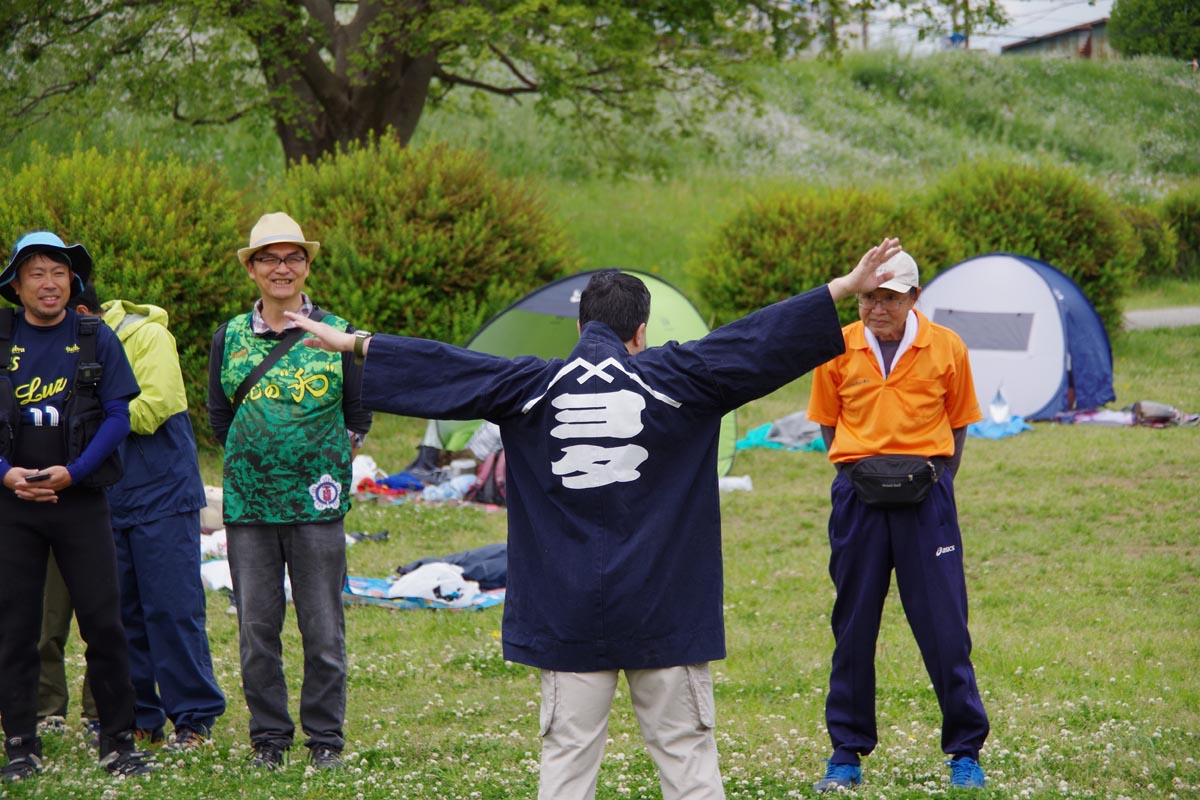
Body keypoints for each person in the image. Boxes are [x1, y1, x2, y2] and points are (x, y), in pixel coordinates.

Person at [287, 238, 904, 800]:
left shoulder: (529, 383)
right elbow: (754, 339)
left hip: (567, 607)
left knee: (567, 761)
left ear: (579, 325)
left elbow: (450, 367)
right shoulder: (681, 376)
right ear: (640, 330)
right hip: (665, 606)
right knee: (686, 758)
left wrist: (356, 343)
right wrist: (844, 288)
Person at [806, 251, 989, 791]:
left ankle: (964, 751)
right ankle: (846, 753)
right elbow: (828, 427)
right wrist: (858, 475)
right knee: (853, 627)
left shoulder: (946, 348)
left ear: (913, 298)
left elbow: (957, 429)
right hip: (858, 502)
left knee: (945, 627)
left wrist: (935, 482)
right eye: (867, 296)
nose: (875, 307)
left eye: (888, 297)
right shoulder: (837, 346)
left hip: (926, 501)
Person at [207, 212, 372, 771]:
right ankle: (269, 740)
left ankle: (325, 739)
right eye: (269, 258)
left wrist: (320, 462)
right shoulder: (227, 336)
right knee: (257, 629)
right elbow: (218, 416)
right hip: (248, 507)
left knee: (323, 627)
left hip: (317, 507)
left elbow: (358, 412)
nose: (282, 268)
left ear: (307, 266)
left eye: (293, 257)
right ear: (252, 269)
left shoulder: (340, 331)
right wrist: (258, 461)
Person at [36, 284, 225, 749]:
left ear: (82, 311)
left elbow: (156, 405)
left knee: (172, 609)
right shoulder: (66, 344)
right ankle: (140, 715)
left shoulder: (146, 334)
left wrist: (87, 420)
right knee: (120, 615)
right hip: (107, 496)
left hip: (162, 493)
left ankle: (194, 718)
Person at [0, 231, 157, 780]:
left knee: (104, 623)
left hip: (81, 501)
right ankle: (20, 744)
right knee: (15, 627)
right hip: (12, 505)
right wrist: (7, 474)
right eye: (37, 273)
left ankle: (118, 742)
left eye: (59, 273)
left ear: (74, 282)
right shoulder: (1, 338)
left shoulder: (94, 336)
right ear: (16, 285)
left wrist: (74, 473)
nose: (49, 283)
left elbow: (117, 416)